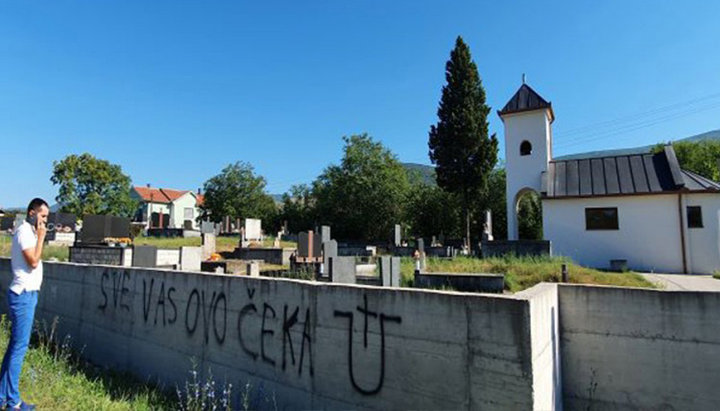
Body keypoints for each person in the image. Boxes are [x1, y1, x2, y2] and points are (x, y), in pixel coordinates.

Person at [0, 198, 49, 410]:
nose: (45, 220)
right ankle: (14, 402)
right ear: (32, 213)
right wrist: (41, 238)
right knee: (19, 349)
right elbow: (34, 261)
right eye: (43, 215)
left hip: (27, 295)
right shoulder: (24, 232)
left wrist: (38, 236)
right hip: (23, 296)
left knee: (14, 348)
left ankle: (2, 397)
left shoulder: (29, 232)